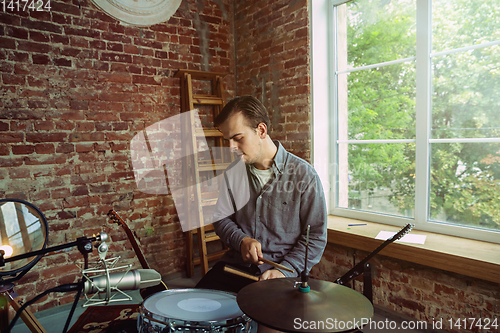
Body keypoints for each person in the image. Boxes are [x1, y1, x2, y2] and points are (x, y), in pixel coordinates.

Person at [195, 96, 327, 330]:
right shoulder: (234, 172)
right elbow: (221, 218)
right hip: (234, 266)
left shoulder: (304, 176)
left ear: (261, 130)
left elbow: (315, 236)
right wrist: (242, 240)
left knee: (267, 325)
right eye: (227, 140)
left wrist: (282, 270)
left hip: (282, 274)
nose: (231, 148)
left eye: (237, 138)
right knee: (192, 311)